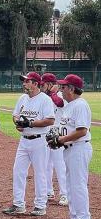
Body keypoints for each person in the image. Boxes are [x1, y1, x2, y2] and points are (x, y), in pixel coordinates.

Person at [2, 71, 55, 216]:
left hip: (39, 140)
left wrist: (30, 123)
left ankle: (40, 206)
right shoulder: (23, 98)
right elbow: (15, 115)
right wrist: (18, 124)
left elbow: (50, 120)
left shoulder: (44, 99)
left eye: (27, 81)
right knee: (18, 171)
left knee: (40, 173)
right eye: (24, 81)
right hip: (24, 141)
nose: (24, 83)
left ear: (35, 83)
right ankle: (18, 204)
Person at [56, 74, 92, 219]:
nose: (61, 89)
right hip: (69, 149)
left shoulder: (80, 105)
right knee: (70, 185)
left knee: (78, 185)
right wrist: (58, 139)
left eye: (63, 87)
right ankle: (76, 218)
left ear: (71, 89)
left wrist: (61, 140)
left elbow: (82, 131)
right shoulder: (69, 105)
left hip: (79, 148)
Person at [40, 73, 68, 206]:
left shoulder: (61, 94)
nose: (42, 86)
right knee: (46, 164)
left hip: (58, 131)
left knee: (59, 164)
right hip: (47, 131)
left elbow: (60, 103)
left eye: (44, 84)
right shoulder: (45, 97)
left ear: (50, 84)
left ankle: (64, 194)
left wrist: (52, 93)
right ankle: (49, 191)